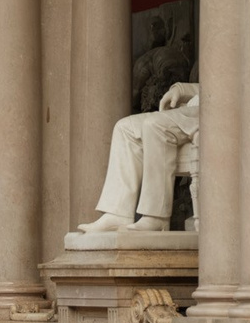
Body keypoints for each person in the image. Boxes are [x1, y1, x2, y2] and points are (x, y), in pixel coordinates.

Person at [75, 80, 199, 238]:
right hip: (195, 105)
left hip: (215, 110)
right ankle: (118, 214)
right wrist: (181, 89)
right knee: (125, 127)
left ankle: (157, 217)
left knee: (155, 125)